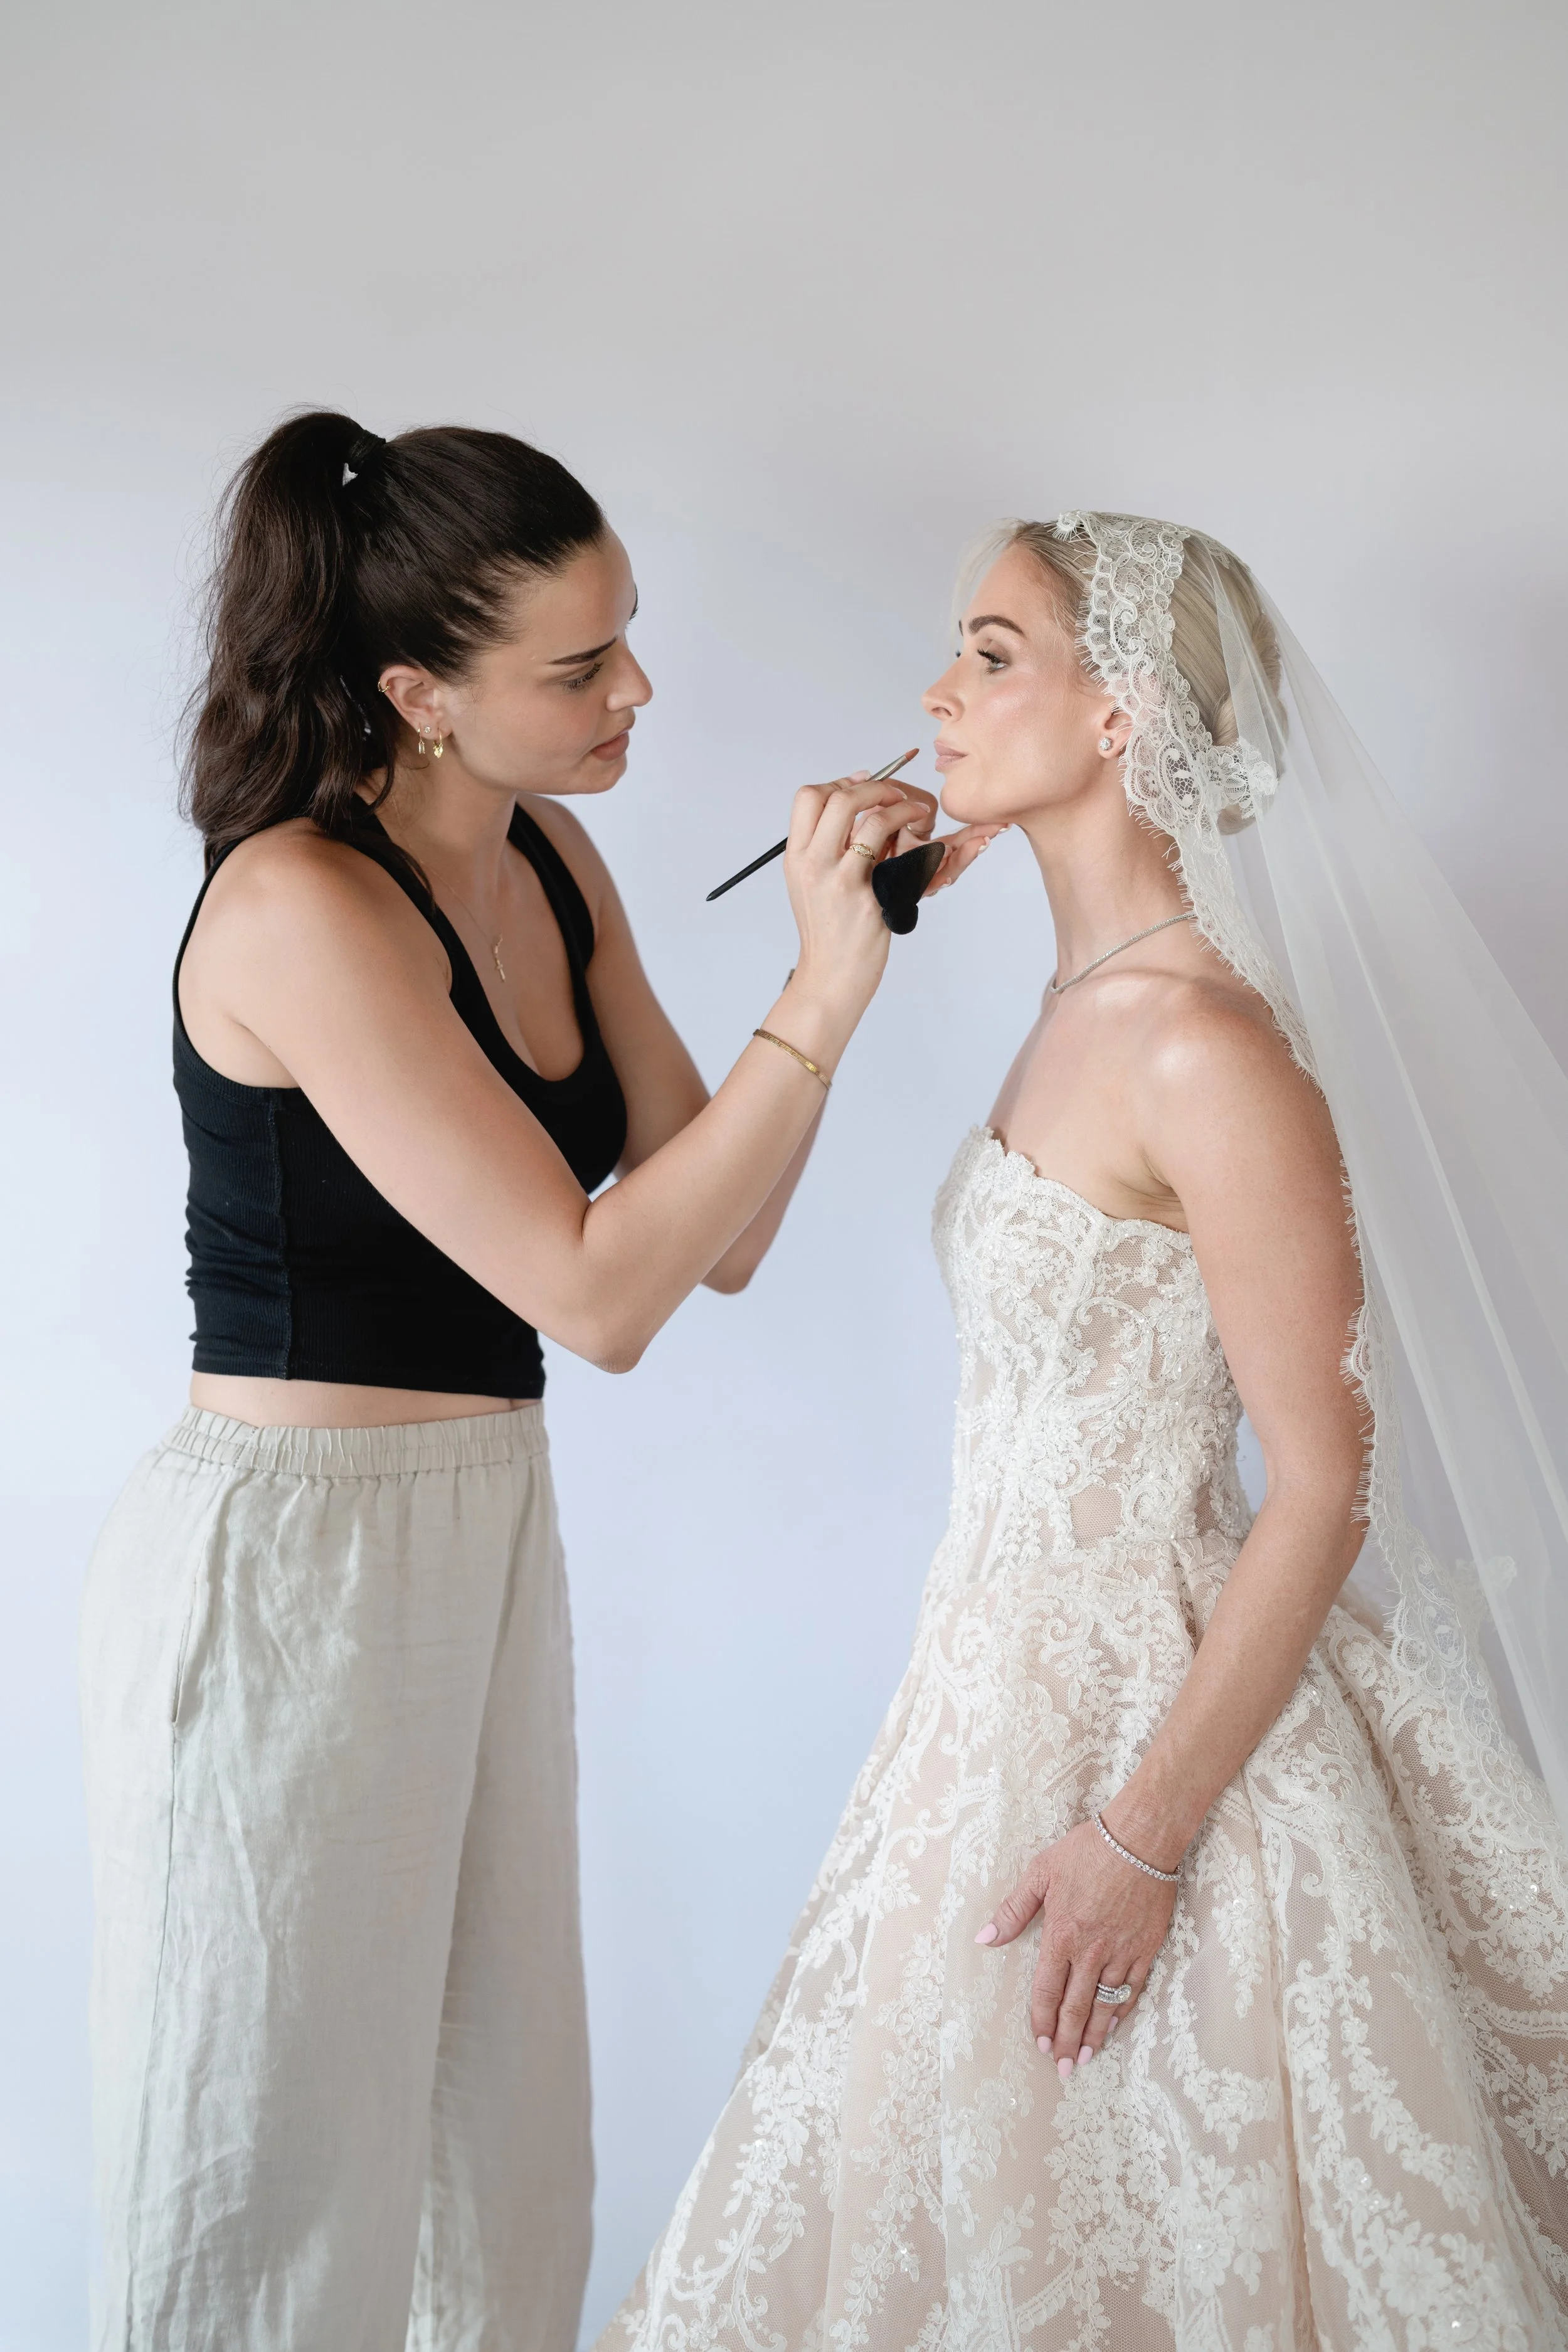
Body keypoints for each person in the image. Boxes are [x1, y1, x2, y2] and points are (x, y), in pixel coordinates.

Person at [78, 411, 999, 2352]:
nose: (637, 690)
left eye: (627, 637)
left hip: (483, 1523)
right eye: (578, 667)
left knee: (502, 2144)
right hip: (287, 1569)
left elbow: (711, 1225)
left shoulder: (553, 858)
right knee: (265, 2164)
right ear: (416, 691)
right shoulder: (300, 908)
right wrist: (814, 992)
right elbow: (596, 1291)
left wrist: (855, 950)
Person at [600, 513, 1568, 2349]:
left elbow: (1326, 1474)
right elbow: (723, 1261)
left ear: (1121, 712)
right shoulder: (1073, 1009)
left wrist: (1140, 1837)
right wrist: (839, 952)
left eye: (986, 652)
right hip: (981, 1700)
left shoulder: (1199, 1041)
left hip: (1148, 1729)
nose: (930, 696)